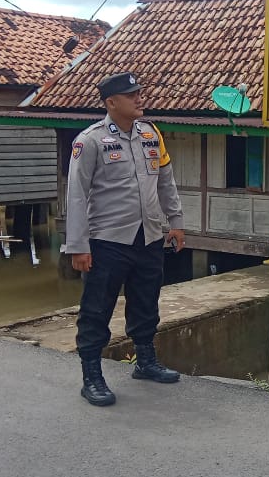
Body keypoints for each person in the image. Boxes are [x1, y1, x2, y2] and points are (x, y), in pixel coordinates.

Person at [64, 72, 186, 407]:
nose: (139, 98)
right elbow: (76, 195)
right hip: (107, 241)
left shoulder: (151, 134)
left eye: (139, 93)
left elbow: (165, 181)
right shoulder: (89, 141)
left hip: (148, 236)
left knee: (146, 301)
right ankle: (92, 377)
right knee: (97, 309)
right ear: (111, 102)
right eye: (131, 95)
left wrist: (175, 221)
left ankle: (146, 362)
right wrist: (78, 245)